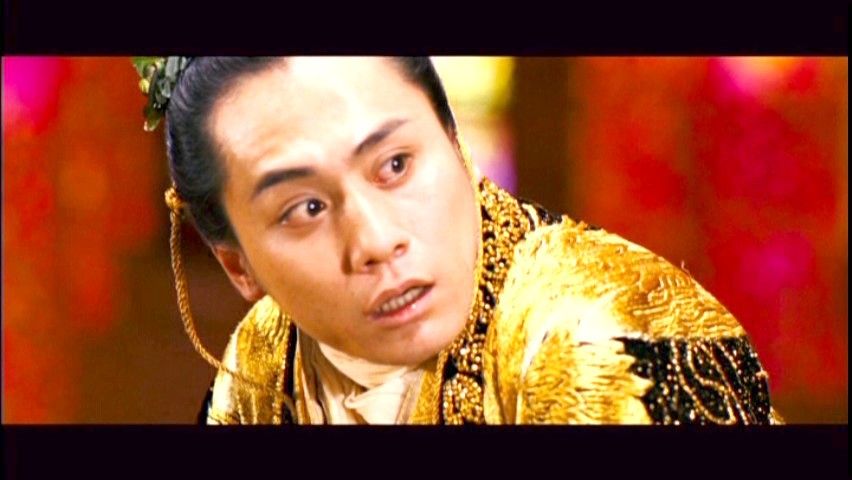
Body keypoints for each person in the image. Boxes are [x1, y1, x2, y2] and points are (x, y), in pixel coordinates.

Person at [136, 56, 783, 425]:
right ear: (238, 265)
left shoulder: (603, 344)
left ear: (455, 141)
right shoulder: (265, 357)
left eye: (395, 165)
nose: (376, 240)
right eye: (305, 208)